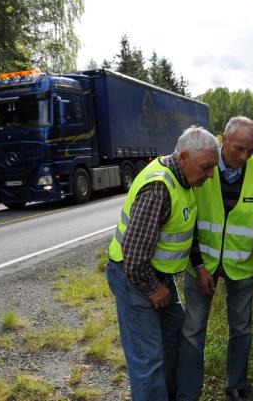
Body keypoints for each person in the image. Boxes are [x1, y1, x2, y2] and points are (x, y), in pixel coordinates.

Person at [105, 126, 219, 400]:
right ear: (183, 157)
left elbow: (185, 228)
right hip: (135, 277)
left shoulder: (185, 180)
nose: (210, 175)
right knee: (148, 360)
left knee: (174, 335)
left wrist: (199, 266)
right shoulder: (159, 188)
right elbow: (133, 258)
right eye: (205, 167)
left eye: (212, 168)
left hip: (159, 275)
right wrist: (154, 289)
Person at [177, 116, 253, 401]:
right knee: (193, 330)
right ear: (223, 139)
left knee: (242, 329)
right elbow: (189, 222)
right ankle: (189, 390)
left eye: (251, 151)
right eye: (238, 149)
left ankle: (236, 385)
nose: (244, 157)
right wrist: (198, 265)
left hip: (241, 263)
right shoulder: (200, 165)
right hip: (201, 263)